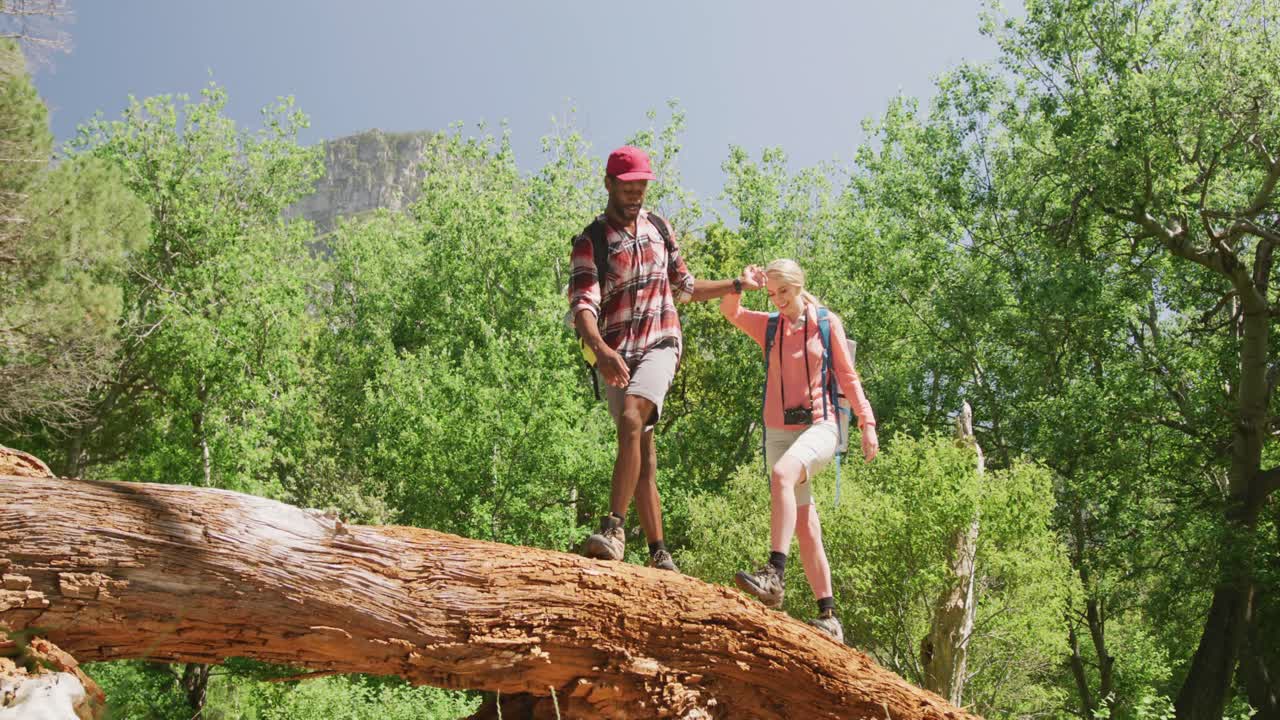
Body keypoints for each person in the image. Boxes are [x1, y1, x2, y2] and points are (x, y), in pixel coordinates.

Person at [568, 145, 762, 573]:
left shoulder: (659, 227)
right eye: (628, 186)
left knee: (632, 419)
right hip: (617, 352)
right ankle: (660, 553)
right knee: (643, 456)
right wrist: (601, 351)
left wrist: (736, 283)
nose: (636, 193)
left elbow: (685, 287)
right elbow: (583, 304)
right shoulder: (591, 241)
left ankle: (614, 528)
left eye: (642, 185)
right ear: (609, 185)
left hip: (661, 342)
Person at [719, 258, 879, 642]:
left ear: (799, 285)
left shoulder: (826, 323)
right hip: (778, 431)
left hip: (820, 427)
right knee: (806, 526)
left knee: (782, 475)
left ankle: (774, 574)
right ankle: (829, 616)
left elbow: (847, 375)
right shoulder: (770, 326)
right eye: (772, 294)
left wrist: (866, 422)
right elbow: (730, 311)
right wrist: (742, 284)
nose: (777, 301)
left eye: (783, 292)